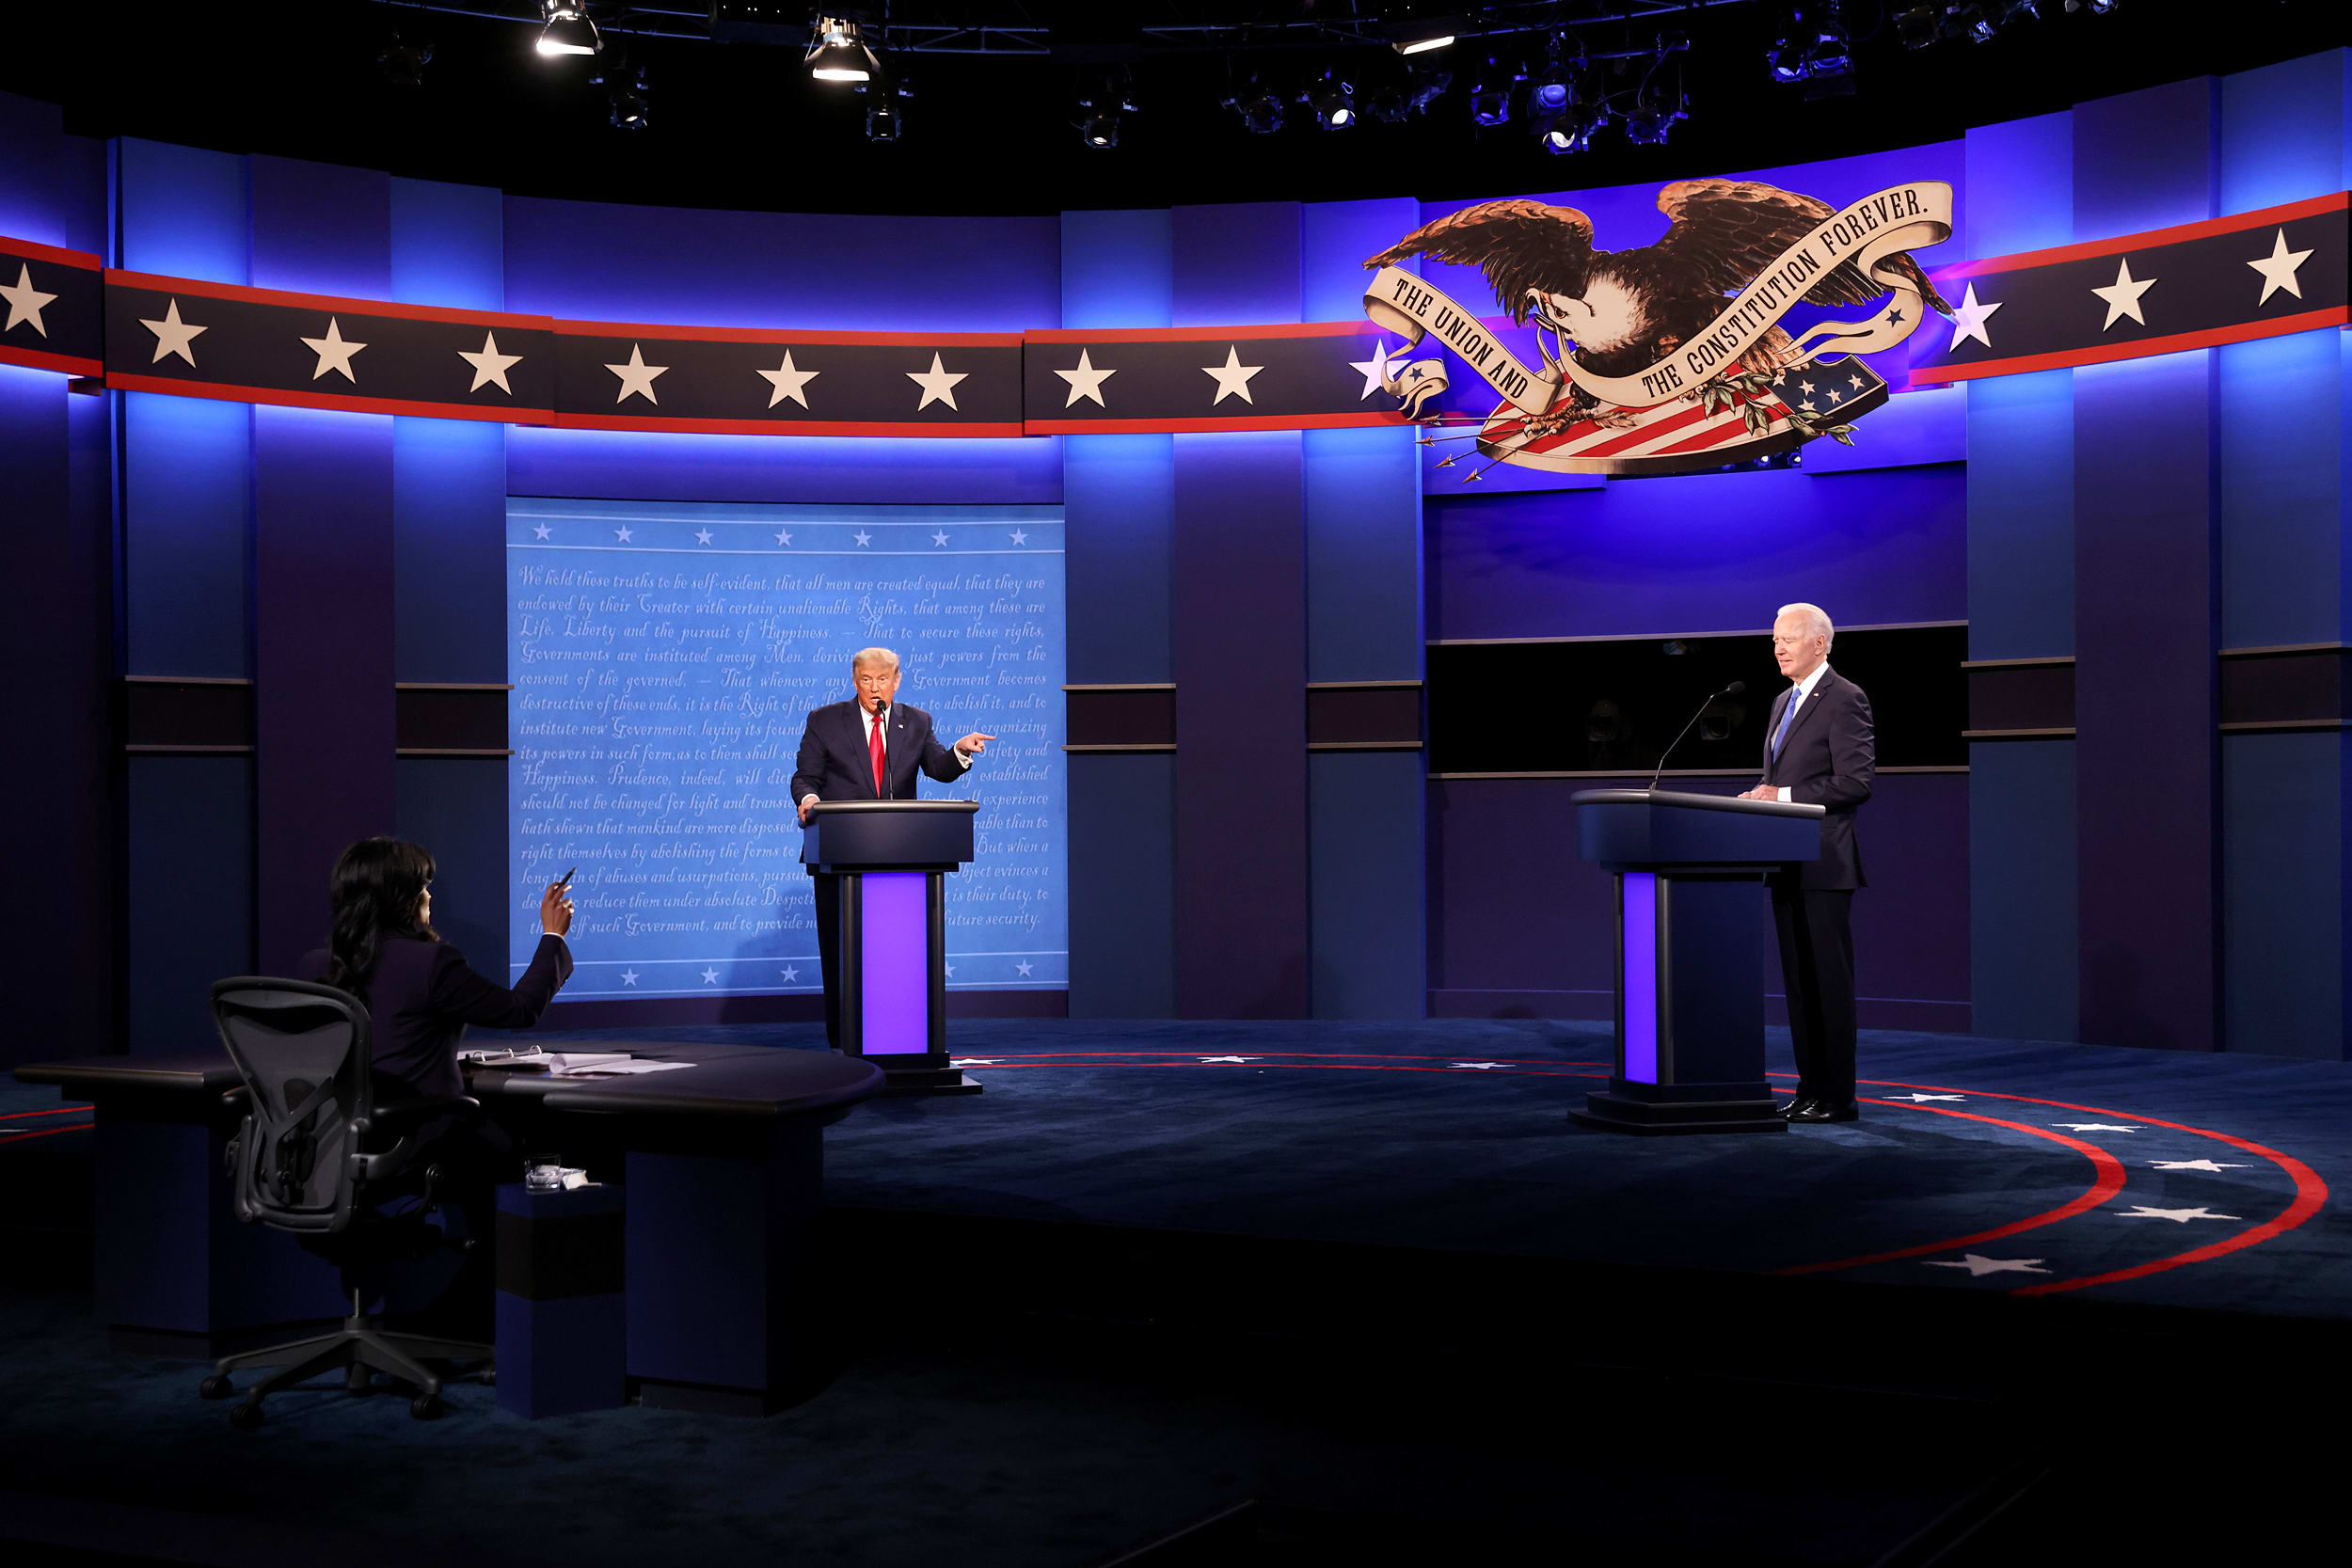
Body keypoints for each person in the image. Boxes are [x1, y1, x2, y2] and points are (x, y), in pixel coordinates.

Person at [792, 647, 994, 1049]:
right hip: (839, 852)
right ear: (855, 682)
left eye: (882, 679)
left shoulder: (916, 721)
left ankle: (902, 1036)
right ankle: (844, 1041)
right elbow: (805, 776)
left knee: (897, 954)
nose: (874, 688)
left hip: (901, 856)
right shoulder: (825, 720)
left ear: (896, 681)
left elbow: (937, 768)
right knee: (841, 950)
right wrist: (809, 799)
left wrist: (959, 751)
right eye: (866, 680)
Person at [299, 836, 576, 1101]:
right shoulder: (430, 962)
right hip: (428, 1125)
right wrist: (553, 934)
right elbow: (520, 1009)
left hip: (347, 1130)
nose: (429, 896)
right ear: (403, 900)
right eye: (423, 887)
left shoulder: (316, 966)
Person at [1739, 603, 1873, 1124]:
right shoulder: (1781, 701)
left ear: (1819, 643)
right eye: (1774, 639)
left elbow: (1855, 782)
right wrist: (1762, 794)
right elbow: (1782, 779)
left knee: (1828, 985)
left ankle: (1838, 1097)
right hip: (1786, 861)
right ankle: (1810, 1089)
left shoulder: (1845, 698)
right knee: (1800, 986)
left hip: (1824, 863)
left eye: (1788, 639)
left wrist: (1782, 795)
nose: (1778, 648)